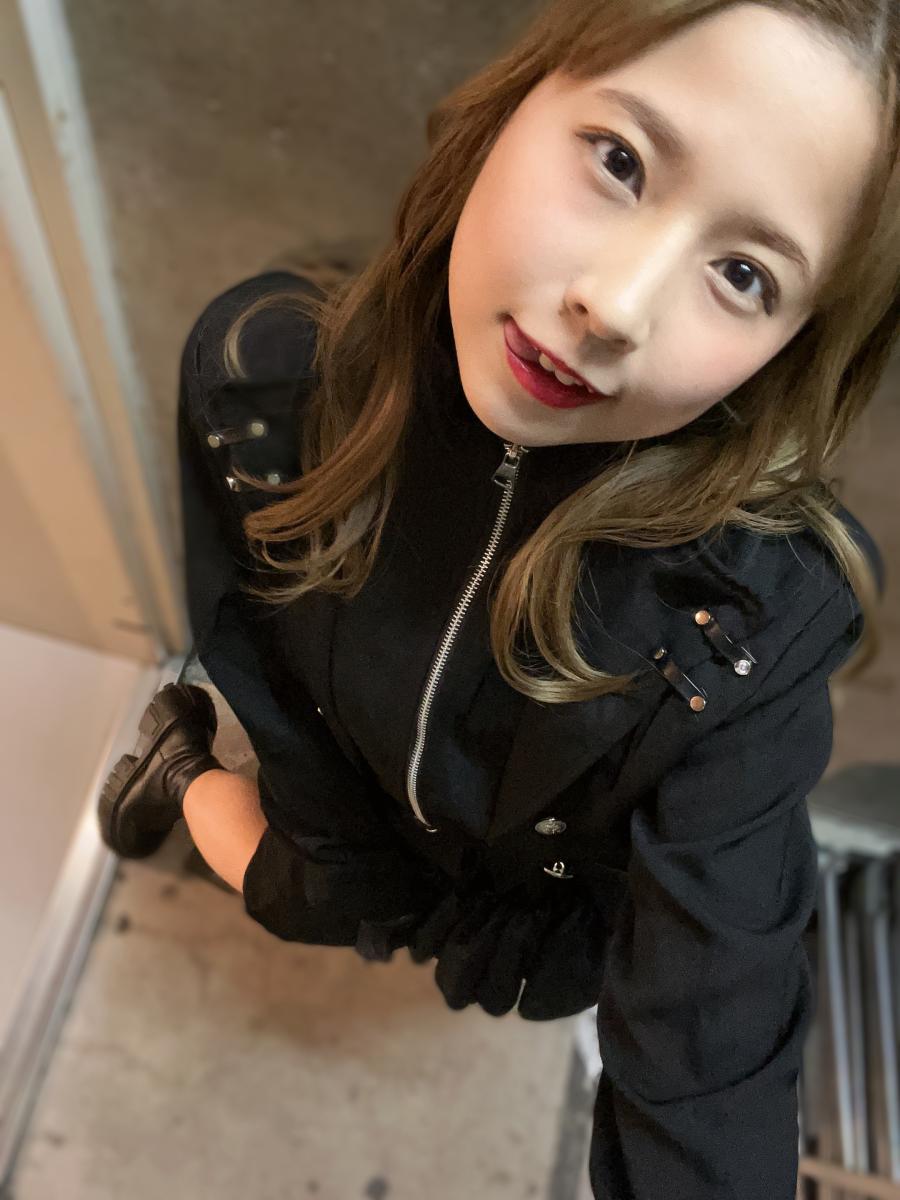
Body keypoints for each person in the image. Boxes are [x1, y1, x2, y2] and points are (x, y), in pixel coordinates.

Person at [97, 1, 898, 1196]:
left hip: (529, 907)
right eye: (620, 160)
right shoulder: (268, 374)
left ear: (796, 342)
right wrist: (325, 864)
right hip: (352, 810)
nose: (616, 306)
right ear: (519, 97)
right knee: (289, 897)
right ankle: (175, 766)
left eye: (743, 274)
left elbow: (711, 1055)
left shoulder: (750, 621)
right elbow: (256, 655)